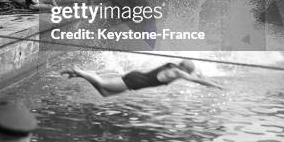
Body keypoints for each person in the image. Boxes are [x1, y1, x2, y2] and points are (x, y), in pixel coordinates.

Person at [61, 60, 223, 97]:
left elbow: (194, 76)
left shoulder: (172, 67)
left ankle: (80, 75)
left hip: (136, 80)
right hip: (135, 81)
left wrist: (201, 75)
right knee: (102, 82)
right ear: (185, 70)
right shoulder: (178, 73)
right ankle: (79, 71)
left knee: (104, 93)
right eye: (190, 71)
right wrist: (215, 85)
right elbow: (196, 80)